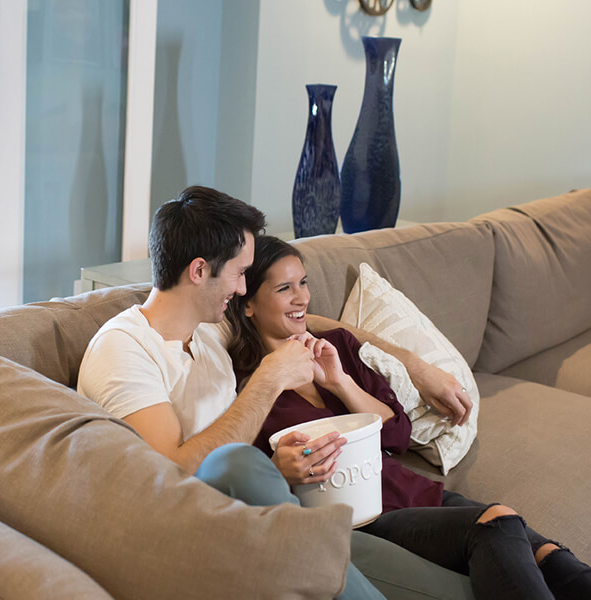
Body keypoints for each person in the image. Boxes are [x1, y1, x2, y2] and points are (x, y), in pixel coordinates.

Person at [77, 186, 475, 600]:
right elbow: (171, 476)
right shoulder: (123, 350)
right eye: (239, 272)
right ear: (199, 271)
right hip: (198, 530)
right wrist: (269, 379)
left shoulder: (207, 329)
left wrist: (417, 367)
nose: (245, 286)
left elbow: (301, 317)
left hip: (276, 509)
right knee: (237, 463)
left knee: (462, 589)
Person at [225, 235, 591, 600]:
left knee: (551, 556)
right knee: (497, 523)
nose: (301, 298)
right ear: (248, 305)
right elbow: (258, 475)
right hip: (369, 519)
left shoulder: (335, 346)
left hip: (418, 492)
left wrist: (339, 383)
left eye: (304, 283)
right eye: (284, 289)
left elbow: (398, 434)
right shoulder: (248, 386)